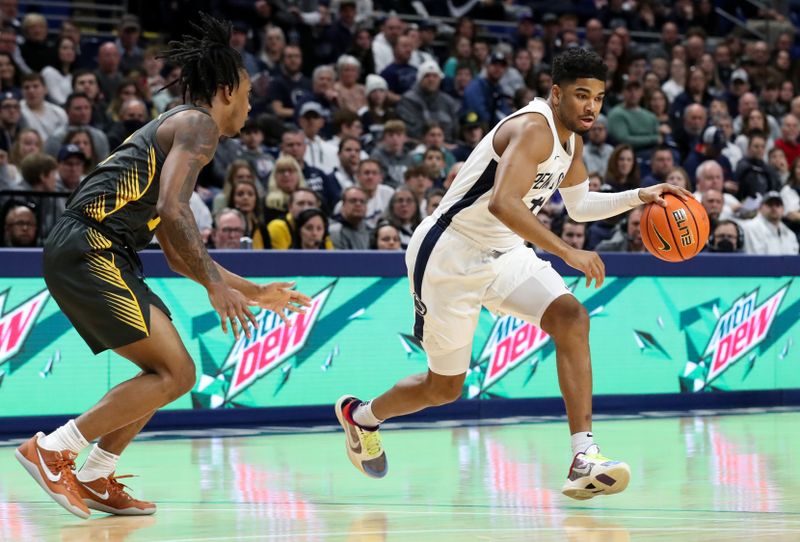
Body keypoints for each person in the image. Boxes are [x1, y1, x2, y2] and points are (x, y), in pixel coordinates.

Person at [334, 48, 689, 498]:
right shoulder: (533, 129)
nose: (591, 107)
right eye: (581, 95)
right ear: (556, 93)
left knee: (571, 318)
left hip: (504, 252)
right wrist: (566, 253)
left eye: (598, 98)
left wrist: (642, 194)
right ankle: (361, 416)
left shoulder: (571, 140)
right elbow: (504, 203)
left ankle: (584, 455)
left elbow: (579, 207)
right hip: (450, 254)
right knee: (443, 388)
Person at [14, 14, 311, 521]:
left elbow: (176, 250)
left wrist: (253, 291)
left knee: (169, 370)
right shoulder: (198, 125)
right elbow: (174, 211)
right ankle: (54, 449)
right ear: (224, 90)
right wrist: (217, 287)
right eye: (247, 94)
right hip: (92, 244)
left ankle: (93, 473)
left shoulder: (180, 130)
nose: (250, 105)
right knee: (177, 372)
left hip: (103, 249)